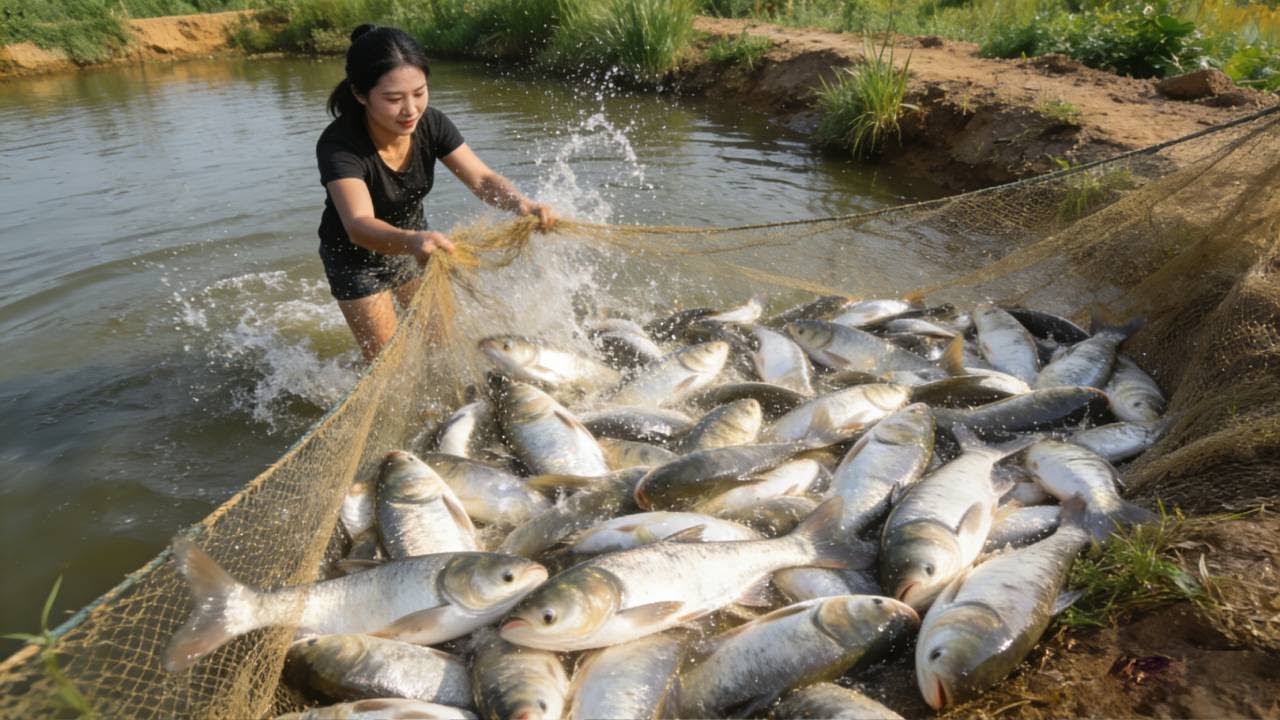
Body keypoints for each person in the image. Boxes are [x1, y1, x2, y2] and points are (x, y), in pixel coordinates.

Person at [316, 24, 558, 362]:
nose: (411, 110)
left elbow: (483, 180)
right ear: (360, 94)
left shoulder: (432, 124)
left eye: (419, 92)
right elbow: (358, 224)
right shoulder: (340, 146)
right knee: (389, 362)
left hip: (416, 246)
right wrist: (413, 241)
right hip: (356, 261)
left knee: (440, 345)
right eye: (393, 99)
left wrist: (522, 204)